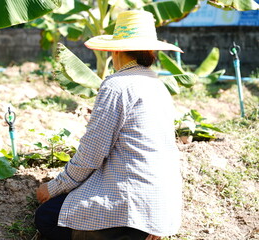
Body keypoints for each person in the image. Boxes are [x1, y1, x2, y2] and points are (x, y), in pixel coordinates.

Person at [35, 10, 183, 240]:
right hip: (161, 206)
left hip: (132, 202)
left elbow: (91, 154)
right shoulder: (157, 84)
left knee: (46, 217)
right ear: (151, 52)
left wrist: (54, 187)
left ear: (116, 50)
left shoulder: (117, 85)